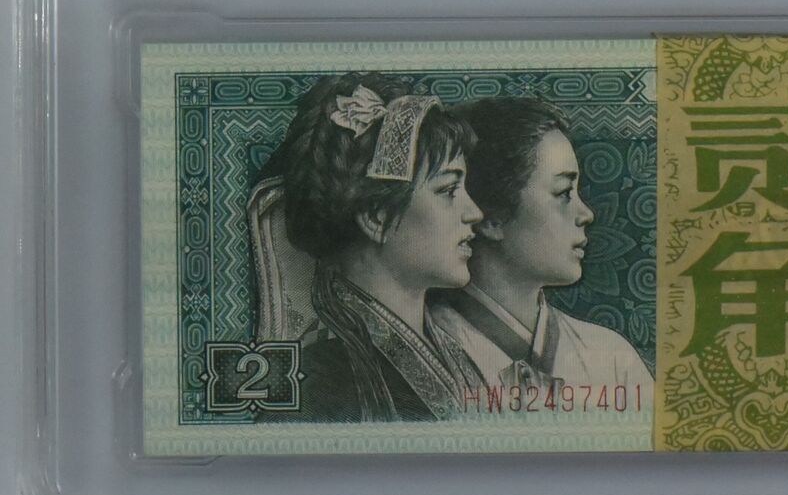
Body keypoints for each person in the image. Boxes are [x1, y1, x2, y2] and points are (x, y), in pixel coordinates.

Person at [256, 72, 485, 422]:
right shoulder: (316, 385)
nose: (475, 213)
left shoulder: (456, 356)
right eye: (448, 190)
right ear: (377, 217)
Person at [430, 98, 654, 400]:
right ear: (491, 219)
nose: (586, 214)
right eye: (563, 193)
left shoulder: (612, 359)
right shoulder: (427, 352)